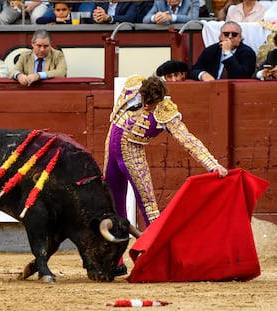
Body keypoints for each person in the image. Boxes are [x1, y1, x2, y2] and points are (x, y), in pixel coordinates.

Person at [104, 75, 228, 274]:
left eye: (151, 104)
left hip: (133, 154)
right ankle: (115, 261)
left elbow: (188, 140)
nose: (146, 106)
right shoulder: (133, 85)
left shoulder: (165, 111)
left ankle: (159, 259)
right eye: (145, 101)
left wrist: (213, 164)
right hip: (111, 148)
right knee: (111, 204)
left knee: (149, 206)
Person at [188, 21, 256, 81]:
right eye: (226, 34)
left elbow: (242, 76)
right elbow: (193, 70)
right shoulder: (211, 50)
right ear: (220, 36)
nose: (230, 37)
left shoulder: (248, 52)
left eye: (234, 34)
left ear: (240, 38)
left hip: (237, 89)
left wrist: (227, 53)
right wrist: (202, 74)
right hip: (212, 87)